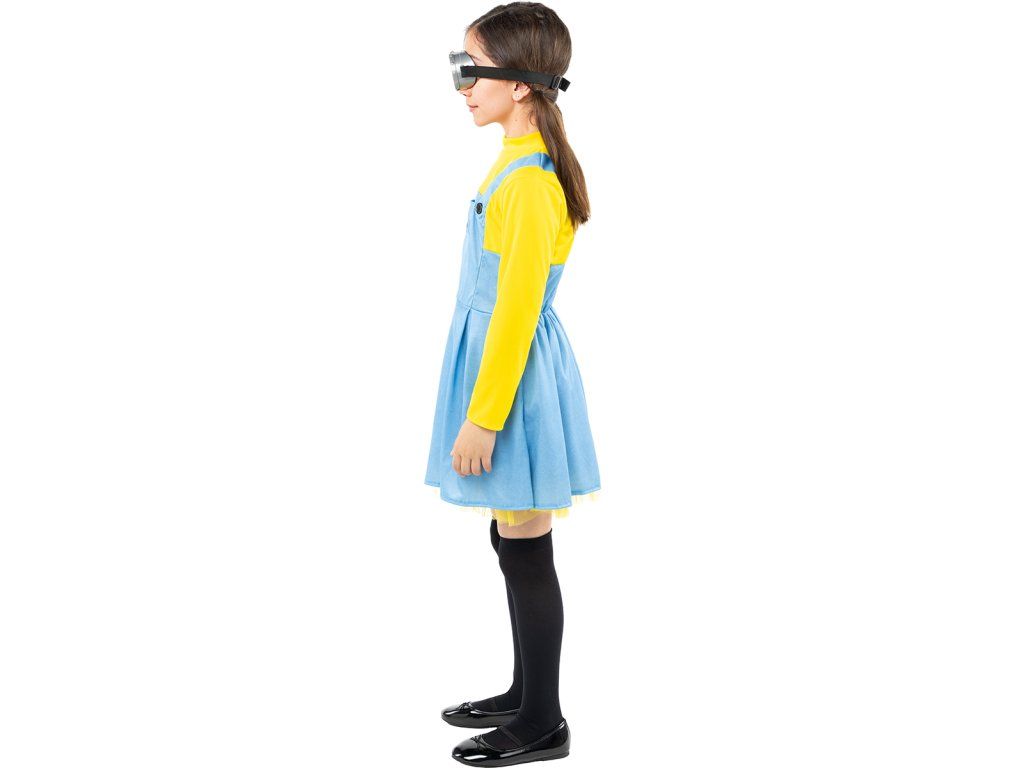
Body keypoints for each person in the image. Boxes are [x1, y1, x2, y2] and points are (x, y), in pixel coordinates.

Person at [424, 3, 600, 765]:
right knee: (511, 535)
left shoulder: (528, 184)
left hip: (514, 383)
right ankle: (526, 695)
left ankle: (542, 723)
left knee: (527, 546)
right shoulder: (514, 161)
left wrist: (484, 417)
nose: (463, 86)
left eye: (472, 70)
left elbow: (517, 312)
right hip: (502, 371)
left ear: (522, 85)